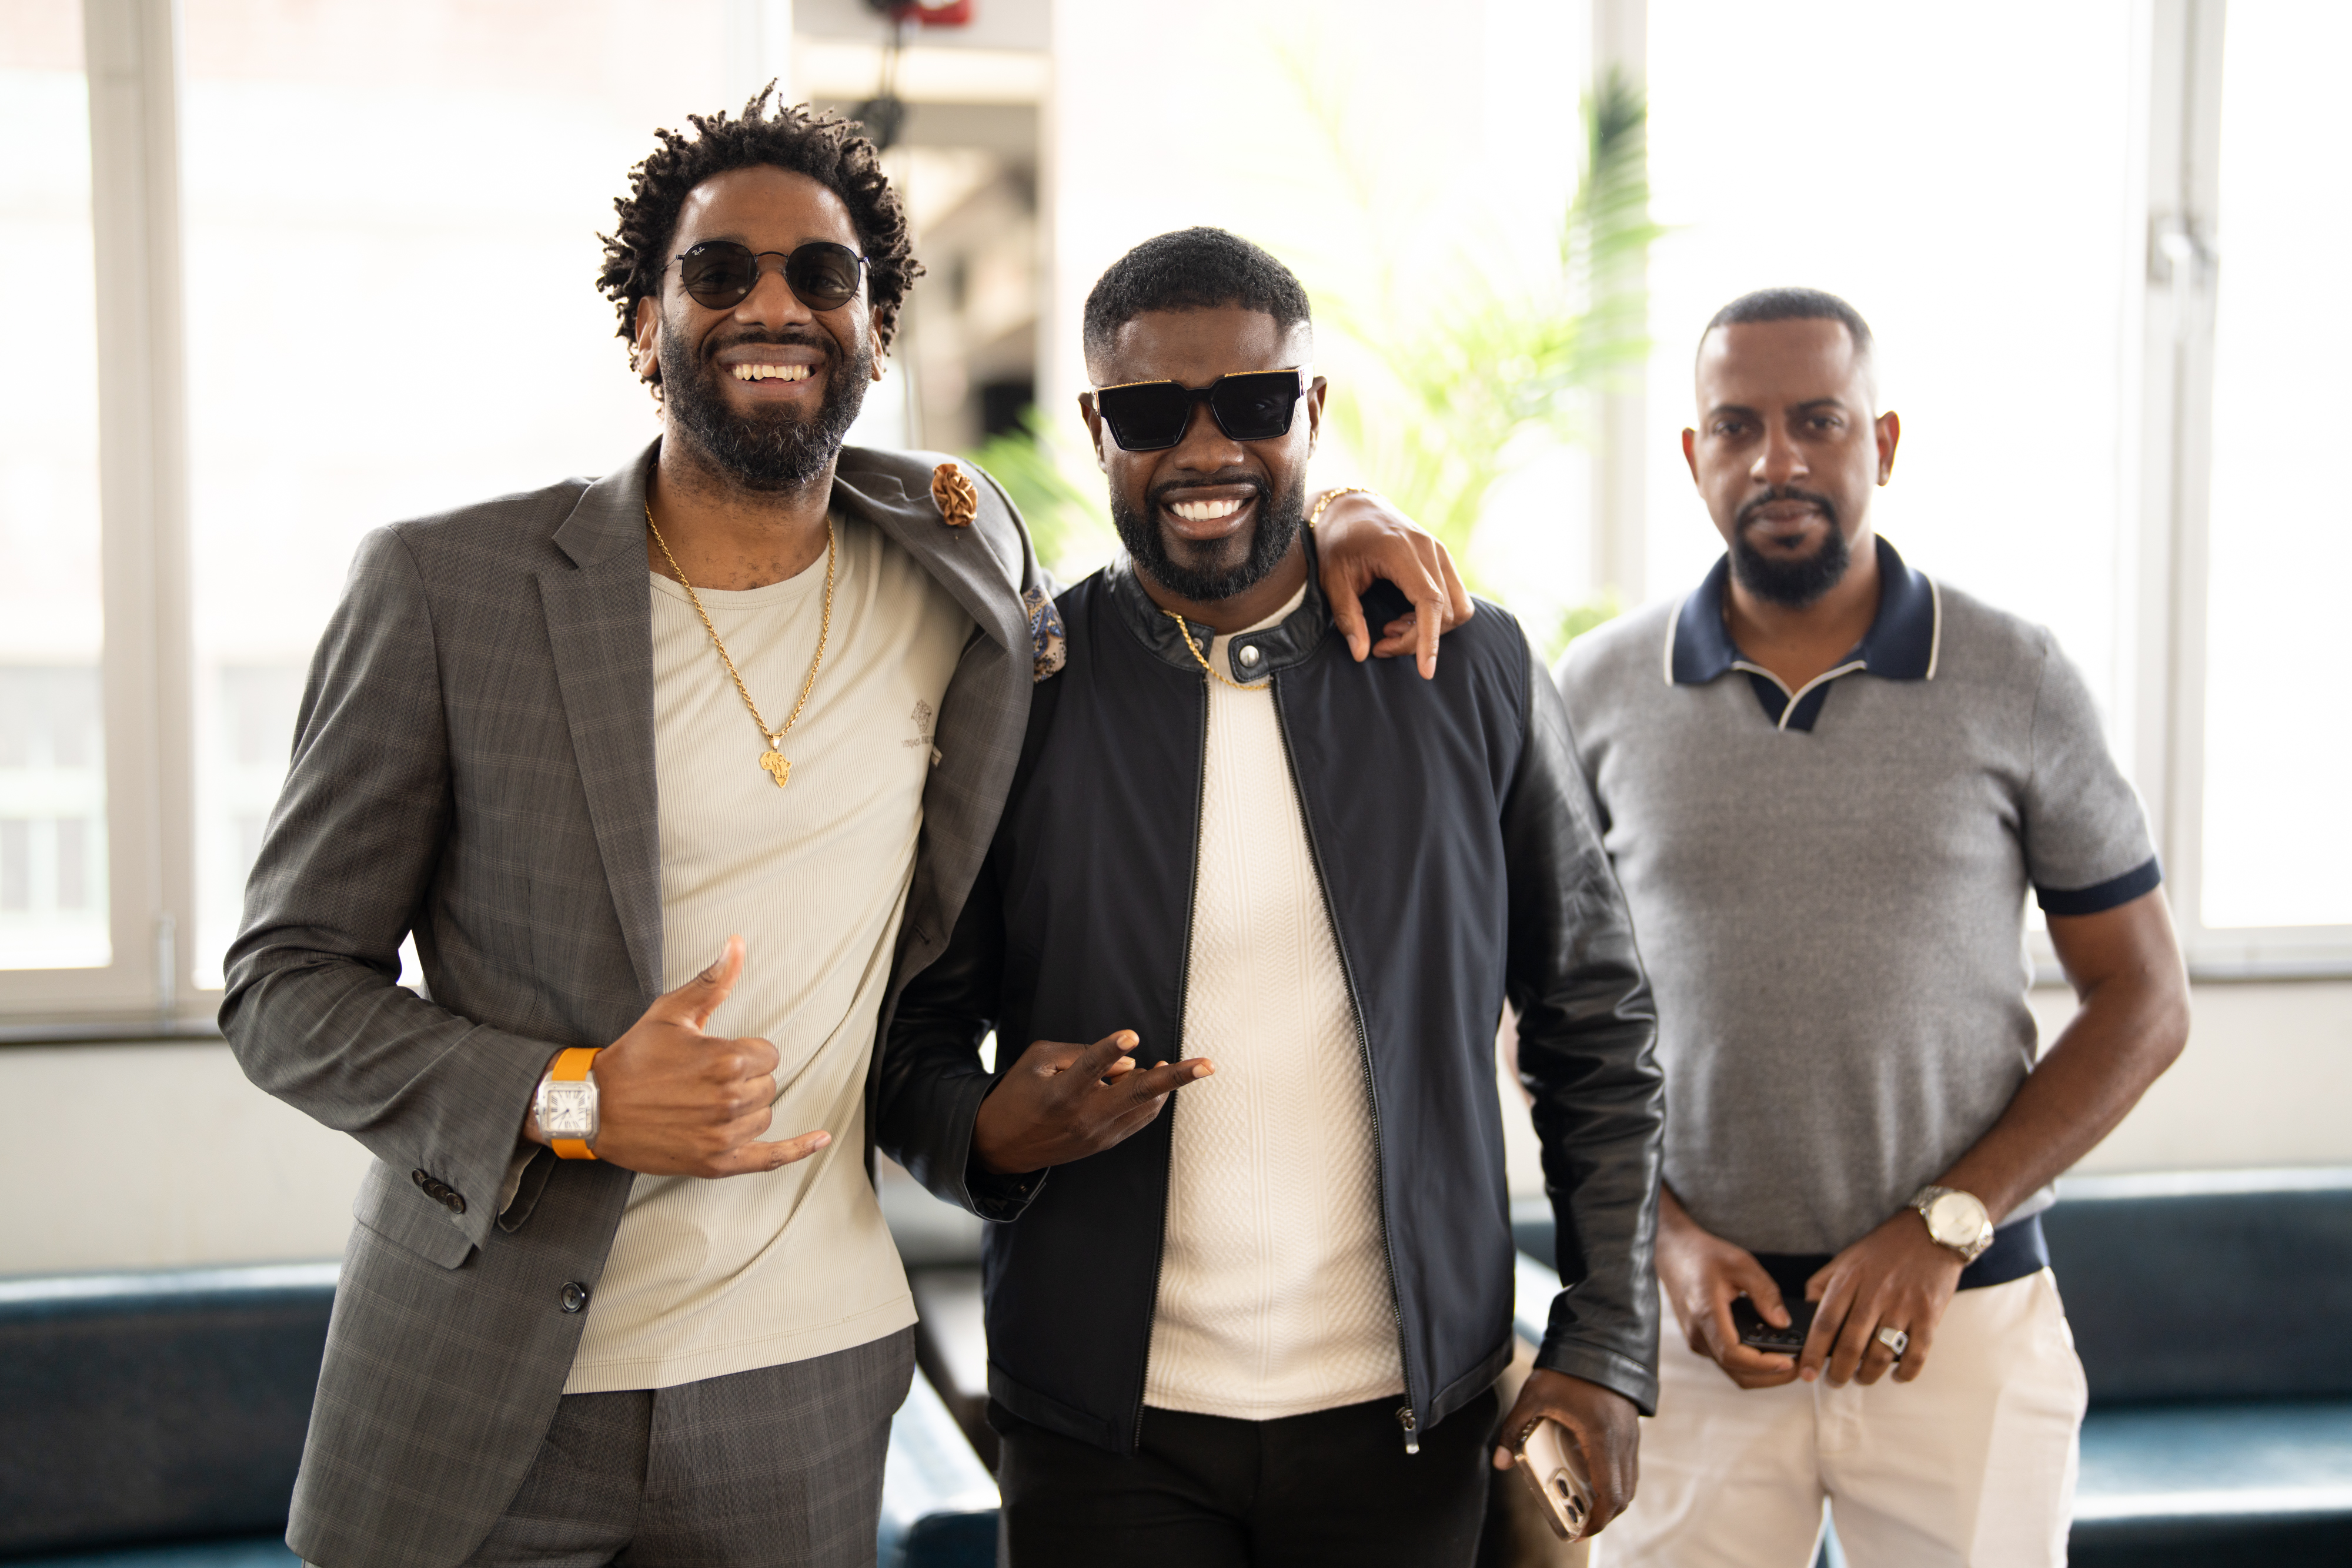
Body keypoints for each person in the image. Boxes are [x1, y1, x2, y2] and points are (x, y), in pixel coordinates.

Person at [220, 97, 1470, 1568]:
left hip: (801, 1388)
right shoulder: (449, 588)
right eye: (718, 272)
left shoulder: (961, 559)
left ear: (875, 331)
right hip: (488, 1381)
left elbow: (1193, 533)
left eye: (821, 276)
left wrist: (1334, 514)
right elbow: (282, 986)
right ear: (643, 325)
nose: (774, 307)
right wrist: (572, 1098)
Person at [876, 227, 1665, 1568]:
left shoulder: (1463, 667)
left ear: (1310, 408)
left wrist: (1604, 1341)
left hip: (1402, 1422)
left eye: (1251, 402)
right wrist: (985, 1132)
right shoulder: (1021, 695)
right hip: (1100, 1432)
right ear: (1095, 428)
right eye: (1150, 413)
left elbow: (1593, 1020)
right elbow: (908, 1039)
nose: (1206, 450)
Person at [1553, 287, 2191, 1566]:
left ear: (1882, 443)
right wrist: (1661, 1242)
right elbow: (1553, 1010)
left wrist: (1945, 1221)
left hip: (1962, 1322)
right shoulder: (1598, 688)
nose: (1776, 460)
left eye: (1818, 421)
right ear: (1693, 455)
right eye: (1736, 426)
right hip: (1694, 1339)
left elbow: (2144, 999)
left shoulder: (2014, 675)